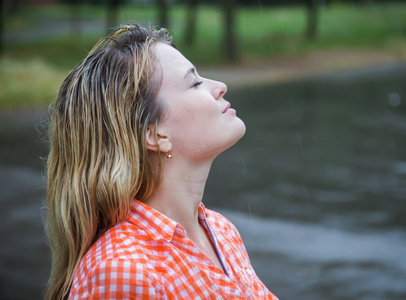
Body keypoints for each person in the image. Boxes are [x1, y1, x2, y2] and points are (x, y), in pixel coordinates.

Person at [45, 24, 277, 300]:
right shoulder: (121, 272)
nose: (220, 87)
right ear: (154, 134)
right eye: (195, 83)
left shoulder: (222, 231)